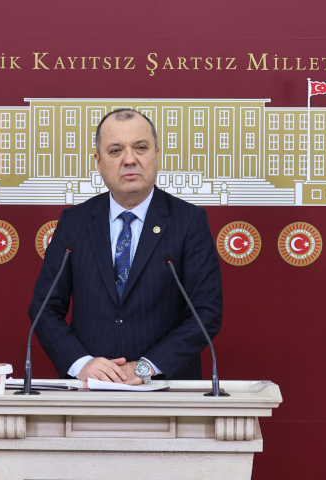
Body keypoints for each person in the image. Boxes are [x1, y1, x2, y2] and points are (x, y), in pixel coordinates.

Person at [28, 108, 223, 384]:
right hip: (90, 389)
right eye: (116, 150)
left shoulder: (188, 221)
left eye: (140, 148)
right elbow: (44, 308)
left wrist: (146, 368)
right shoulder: (74, 222)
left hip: (166, 388)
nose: (130, 160)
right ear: (98, 162)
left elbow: (206, 313)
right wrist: (82, 363)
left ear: (157, 154)